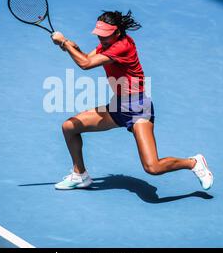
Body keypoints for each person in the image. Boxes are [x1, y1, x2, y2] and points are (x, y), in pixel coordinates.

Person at [51, 10, 213, 190]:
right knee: (69, 127)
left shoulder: (122, 46)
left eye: (105, 35)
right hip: (118, 106)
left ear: (118, 33)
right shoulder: (107, 46)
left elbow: (85, 64)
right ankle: (80, 174)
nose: (101, 39)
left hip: (138, 110)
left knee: (152, 167)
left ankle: (193, 163)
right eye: (99, 35)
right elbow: (88, 58)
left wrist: (65, 42)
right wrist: (71, 47)